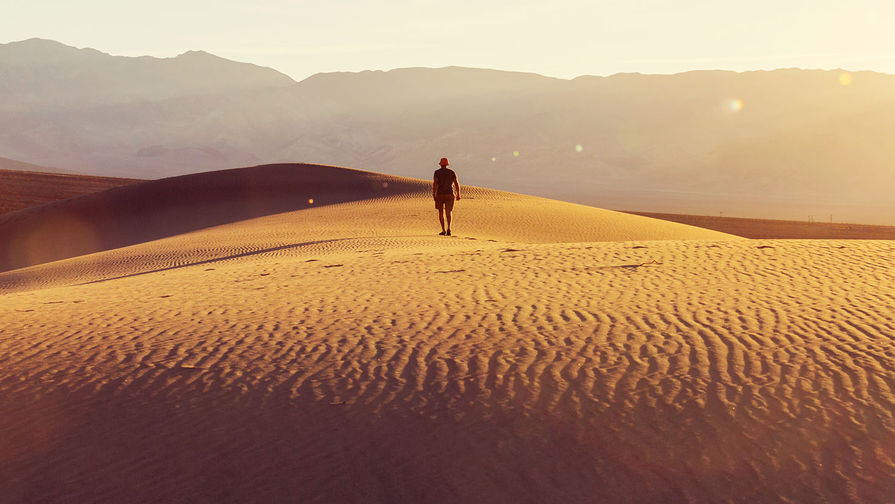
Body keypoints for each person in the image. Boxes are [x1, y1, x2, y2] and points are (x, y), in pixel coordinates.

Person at [433, 157, 460, 236]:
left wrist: (434, 194)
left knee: (441, 212)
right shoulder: (451, 172)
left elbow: (435, 183)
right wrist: (458, 193)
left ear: (441, 164)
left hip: (440, 194)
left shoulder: (437, 172)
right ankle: (449, 228)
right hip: (450, 193)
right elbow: (456, 183)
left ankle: (443, 230)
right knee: (448, 211)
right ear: (447, 164)